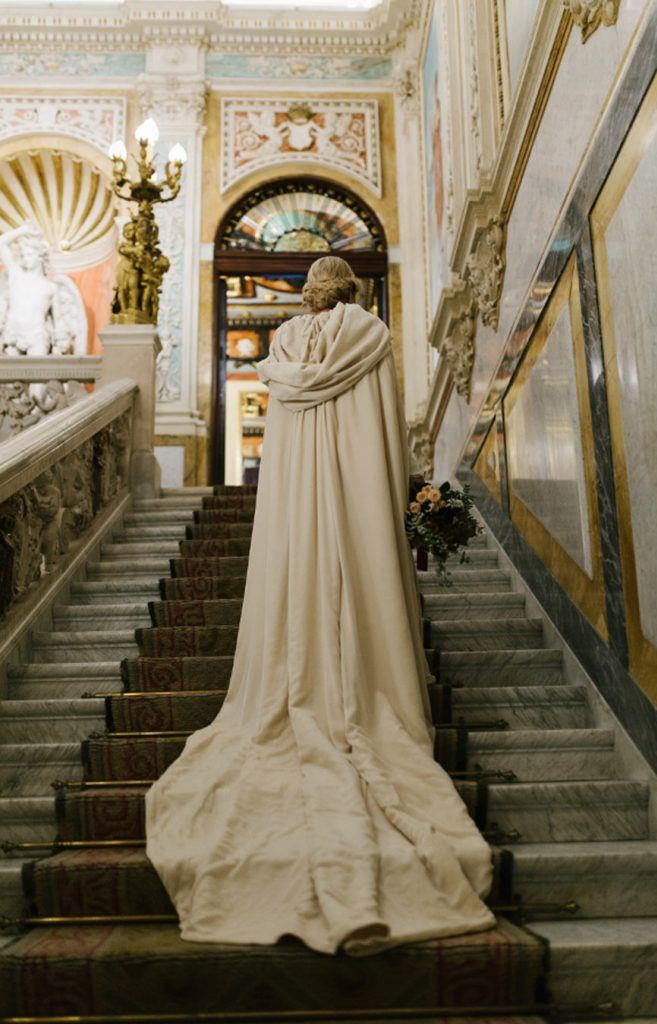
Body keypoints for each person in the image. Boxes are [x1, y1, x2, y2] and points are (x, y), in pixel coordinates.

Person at [145, 255, 495, 955]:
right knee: (357, 580)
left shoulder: (282, 346)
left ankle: (296, 678)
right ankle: (364, 690)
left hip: (296, 515)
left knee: (294, 603)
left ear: (308, 294)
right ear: (354, 290)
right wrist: (391, 499)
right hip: (355, 507)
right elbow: (381, 433)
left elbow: (286, 436)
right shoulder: (371, 333)